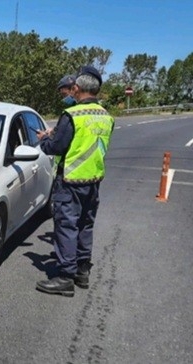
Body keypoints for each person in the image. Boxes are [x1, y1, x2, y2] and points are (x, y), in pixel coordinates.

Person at [35, 66, 114, 296]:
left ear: (77, 88)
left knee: (66, 227)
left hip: (70, 181)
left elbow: (57, 147)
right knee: (85, 226)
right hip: (94, 180)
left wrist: (43, 141)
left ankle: (65, 277)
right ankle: (82, 271)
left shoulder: (72, 115)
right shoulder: (106, 115)